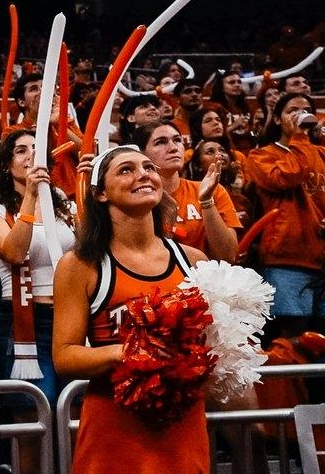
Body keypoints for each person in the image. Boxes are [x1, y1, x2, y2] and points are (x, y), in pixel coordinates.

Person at [53, 144, 209, 474]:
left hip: (181, 436)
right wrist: (132, 351)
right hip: (113, 437)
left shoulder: (195, 262)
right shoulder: (80, 265)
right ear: (100, 194)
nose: (143, 173)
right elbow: (64, 356)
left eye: (147, 166)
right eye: (127, 169)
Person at [0, 128, 76, 474]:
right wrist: (32, 198)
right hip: (21, 325)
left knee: (70, 431)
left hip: (67, 317)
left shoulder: (66, 205)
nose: (30, 156)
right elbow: (14, 251)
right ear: (6, 164)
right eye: (21, 150)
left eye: (37, 150)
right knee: (30, 437)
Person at [244, 93, 325, 345]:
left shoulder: (321, 153)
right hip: (286, 258)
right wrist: (299, 137)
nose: (300, 114)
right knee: (293, 334)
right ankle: (291, 385)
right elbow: (286, 177)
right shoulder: (261, 156)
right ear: (277, 118)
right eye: (292, 110)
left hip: (321, 255)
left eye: (306, 109)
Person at [132, 122, 240, 262]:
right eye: (160, 142)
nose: (173, 148)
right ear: (141, 154)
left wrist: (206, 201)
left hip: (204, 279)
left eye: (177, 140)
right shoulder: (134, 195)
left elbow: (227, 256)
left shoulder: (213, 190)